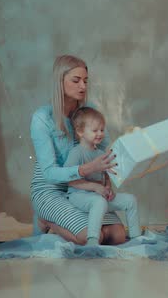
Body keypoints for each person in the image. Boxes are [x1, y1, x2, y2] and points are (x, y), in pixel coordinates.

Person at [30, 54, 126, 245]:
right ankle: (45, 219)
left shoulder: (89, 112)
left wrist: (106, 184)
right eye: (76, 80)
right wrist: (87, 169)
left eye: (85, 80)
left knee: (117, 235)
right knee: (91, 236)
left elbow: (105, 155)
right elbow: (49, 172)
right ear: (60, 81)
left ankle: (69, 223)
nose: (83, 86)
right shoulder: (42, 118)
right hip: (51, 189)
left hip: (83, 190)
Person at [64, 106, 141, 245]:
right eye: (95, 130)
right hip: (78, 195)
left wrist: (108, 188)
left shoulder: (101, 153)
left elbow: (105, 177)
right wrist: (95, 187)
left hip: (98, 195)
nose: (99, 133)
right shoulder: (76, 153)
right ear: (80, 131)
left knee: (130, 200)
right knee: (99, 202)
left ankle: (136, 237)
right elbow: (70, 181)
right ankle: (92, 240)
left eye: (101, 130)